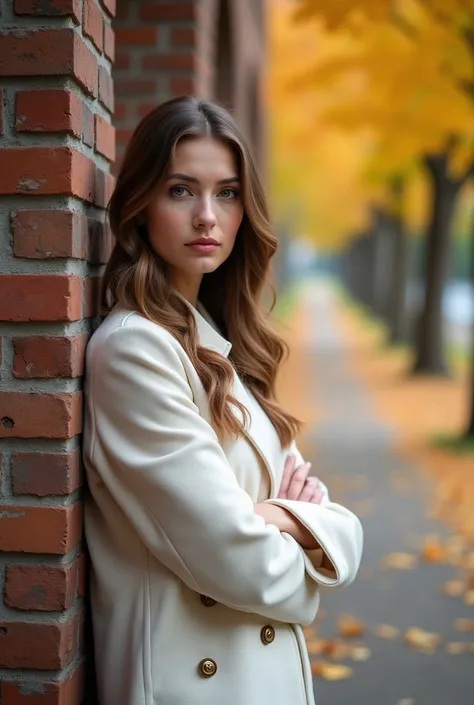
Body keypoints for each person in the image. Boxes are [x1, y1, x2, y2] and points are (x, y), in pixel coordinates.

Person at [82, 96, 363, 705]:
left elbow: (336, 524)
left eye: (227, 193)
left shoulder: (222, 347)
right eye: (181, 191)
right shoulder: (134, 352)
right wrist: (290, 524)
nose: (207, 216)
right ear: (140, 207)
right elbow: (235, 559)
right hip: (189, 684)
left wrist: (273, 518)